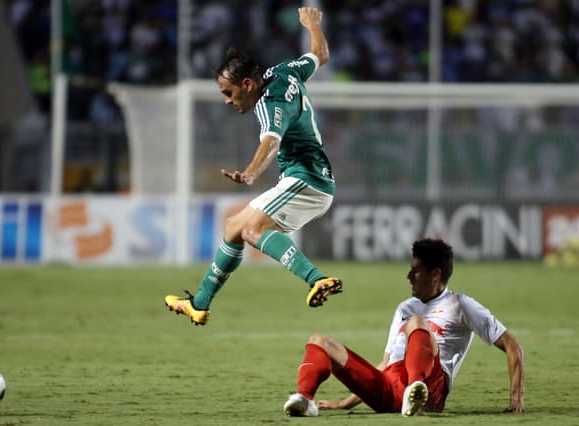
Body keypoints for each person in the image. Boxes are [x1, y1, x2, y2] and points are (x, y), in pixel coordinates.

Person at [165, 7, 341, 326]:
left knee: (253, 230)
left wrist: (249, 173)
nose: (227, 101)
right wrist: (313, 24)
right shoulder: (285, 70)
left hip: (308, 180)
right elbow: (321, 53)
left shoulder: (267, 104)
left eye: (228, 93)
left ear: (247, 84)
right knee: (234, 228)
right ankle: (199, 304)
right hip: (308, 179)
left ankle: (317, 279)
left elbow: (271, 142)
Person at [283, 238, 524, 417]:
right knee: (320, 342)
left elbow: (513, 346)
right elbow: (386, 363)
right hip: (391, 388)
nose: (409, 276)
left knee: (417, 323)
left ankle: (415, 390)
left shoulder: (461, 305)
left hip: (431, 388)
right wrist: (345, 403)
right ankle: (304, 398)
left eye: (415, 271)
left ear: (435, 275)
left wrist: (516, 399)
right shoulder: (405, 308)